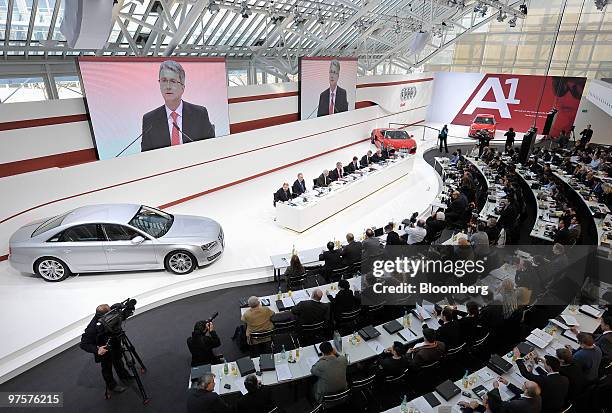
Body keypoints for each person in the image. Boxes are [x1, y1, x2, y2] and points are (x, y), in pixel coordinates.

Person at [142, 60, 215, 152]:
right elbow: (145, 156)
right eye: (164, 80)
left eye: (173, 81)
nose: (168, 86)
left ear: (182, 88)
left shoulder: (200, 114)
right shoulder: (149, 120)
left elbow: (211, 148)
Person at [79, 304, 132, 393]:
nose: (111, 316)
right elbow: (83, 344)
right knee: (107, 368)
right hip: (104, 349)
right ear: (101, 315)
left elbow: (118, 315)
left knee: (118, 361)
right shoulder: (92, 328)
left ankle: (124, 376)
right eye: (108, 314)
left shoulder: (109, 313)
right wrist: (97, 350)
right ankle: (112, 385)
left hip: (114, 343)